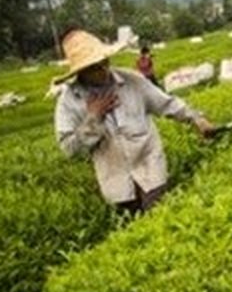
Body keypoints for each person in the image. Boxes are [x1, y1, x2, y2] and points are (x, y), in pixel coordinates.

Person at [53, 28, 214, 214]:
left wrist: (196, 119)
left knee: (160, 218)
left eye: (104, 62)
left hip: (150, 169)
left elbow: (167, 104)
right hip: (117, 184)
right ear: (81, 71)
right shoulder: (69, 102)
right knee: (136, 230)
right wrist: (93, 117)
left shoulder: (132, 81)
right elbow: (69, 149)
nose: (103, 69)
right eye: (94, 67)